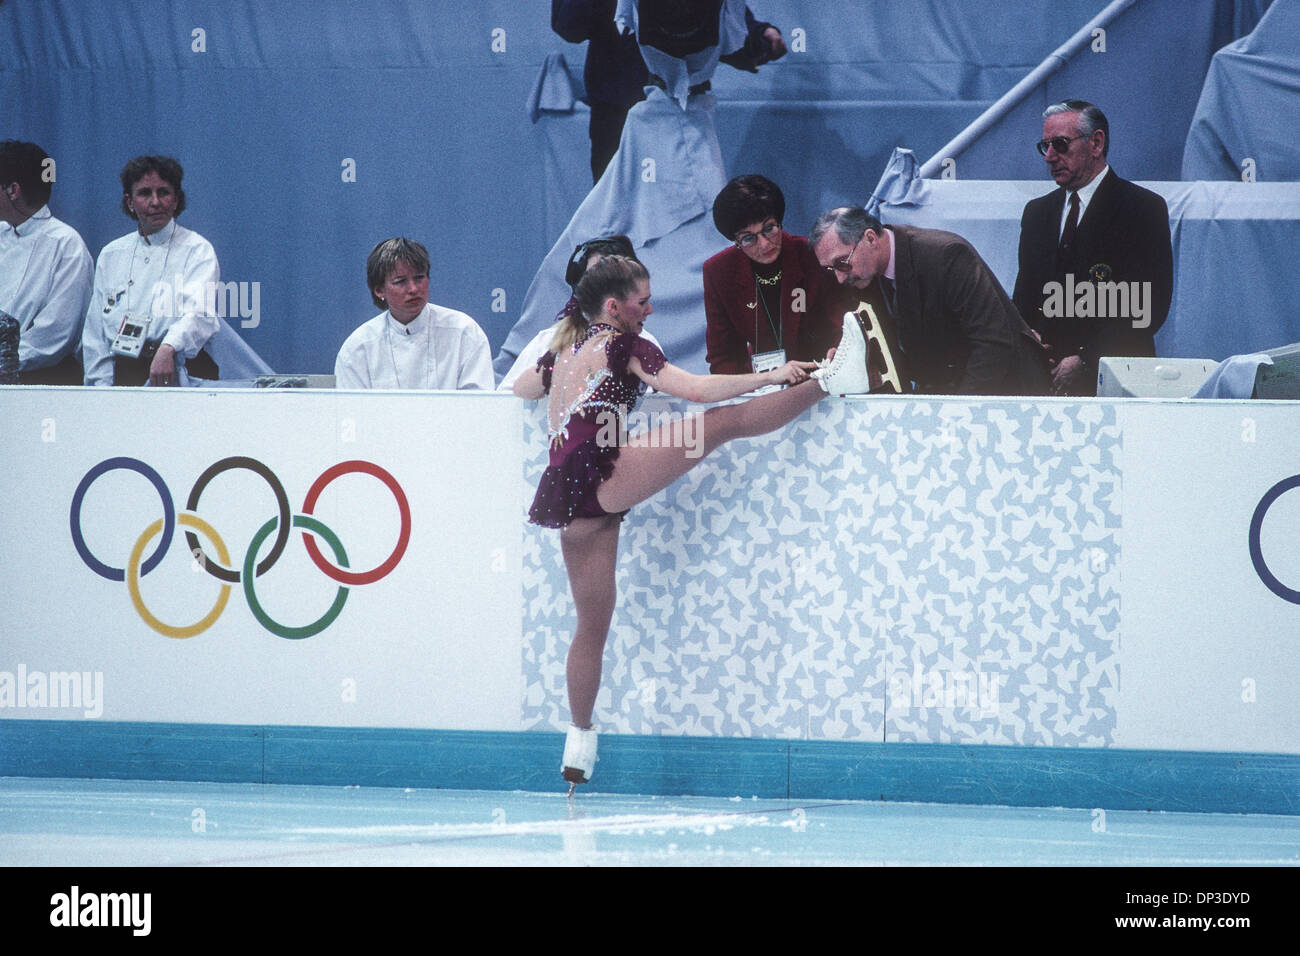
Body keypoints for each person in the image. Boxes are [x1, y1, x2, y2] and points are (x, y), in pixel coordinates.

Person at [512, 255, 870, 791]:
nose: (650, 309)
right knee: (719, 424)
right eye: (642, 301)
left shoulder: (561, 348)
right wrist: (772, 374)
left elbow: (520, 387)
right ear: (614, 307)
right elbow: (698, 392)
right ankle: (832, 383)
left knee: (591, 629)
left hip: (572, 502)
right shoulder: (625, 345)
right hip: (605, 476)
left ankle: (579, 745)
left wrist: (574, 381)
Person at [1012, 100, 1173, 396]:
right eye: (1044, 146)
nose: (1049, 157)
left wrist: (1086, 361)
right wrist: (1029, 340)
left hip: (1115, 383)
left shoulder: (1142, 209)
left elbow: (1149, 308)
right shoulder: (1037, 214)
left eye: (1059, 144)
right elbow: (1024, 300)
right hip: (1046, 384)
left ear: (1096, 143)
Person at [810, 206, 1050, 396]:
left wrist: (956, 413)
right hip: (951, 395)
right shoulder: (864, 276)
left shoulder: (946, 255)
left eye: (842, 263)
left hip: (1011, 391)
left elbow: (994, 342)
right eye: (830, 270)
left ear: (871, 239)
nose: (840, 278)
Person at [552, 0, 786, 182]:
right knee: (616, 222)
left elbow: (724, 27)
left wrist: (760, 38)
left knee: (692, 219)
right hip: (617, 114)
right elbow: (569, 26)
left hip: (685, 110)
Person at [82, 156, 221, 386]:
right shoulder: (111, 254)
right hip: (125, 373)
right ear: (130, 202)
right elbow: (95, 335)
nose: (155, 202)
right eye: (145, 193)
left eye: (164, 193)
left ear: (176, 200)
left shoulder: (197, 250)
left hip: (179, 369)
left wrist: (168, 348)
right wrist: (101, 390)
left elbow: (200, 314)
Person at [704, 174, 847, 376]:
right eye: (748, 238)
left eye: (769, 228)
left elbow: (843, 329)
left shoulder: (812, 255)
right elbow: (723, 357)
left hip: (820, 377)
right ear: (735, 241)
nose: (764, 244)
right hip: (761, 386)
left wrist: (836, 357)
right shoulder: (718, 272)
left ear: (779, 222)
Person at [497, 234, 663, 390]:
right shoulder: (549, 342)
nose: (599, 286)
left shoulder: (645, 346)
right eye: (593, 278)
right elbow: (506, 402)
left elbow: (658, 409)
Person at [334, 238, 493, 390]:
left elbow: (478, 406)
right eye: (400, 281)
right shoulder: (358, 348)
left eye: (419, 278)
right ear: (379, 290)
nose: (413, 289)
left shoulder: (464, 332)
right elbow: (352, 412)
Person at [0, 140, 93, 385]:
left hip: (39, 383)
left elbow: (56, 335)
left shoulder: (66, 245)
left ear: (13, 190)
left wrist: (5, 363)